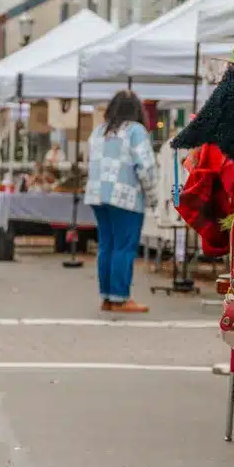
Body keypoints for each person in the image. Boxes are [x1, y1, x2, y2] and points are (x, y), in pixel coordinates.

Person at [86, 90, 156, 314]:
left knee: (106, 245)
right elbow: (145, 167)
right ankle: (121, 298)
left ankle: (106, 297)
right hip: (125, 196)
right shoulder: (136, 131)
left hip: (97, 195)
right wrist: (153, 197)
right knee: (124, 247)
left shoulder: (98, 131)